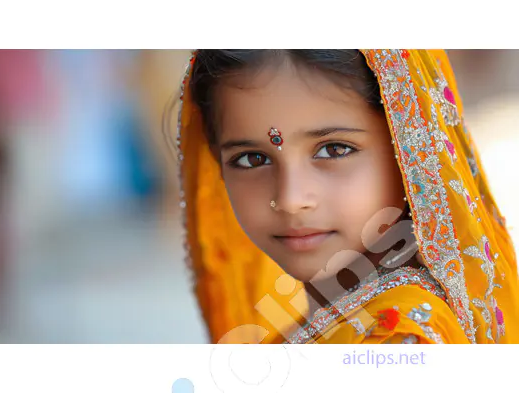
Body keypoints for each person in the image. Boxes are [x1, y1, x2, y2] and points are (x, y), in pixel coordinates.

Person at [176, 49, 519, 344]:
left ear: (409, 144)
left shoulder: (397, 342)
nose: (291, 199)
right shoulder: (320, 328)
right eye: (253, 159)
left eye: (334, 149)